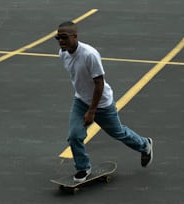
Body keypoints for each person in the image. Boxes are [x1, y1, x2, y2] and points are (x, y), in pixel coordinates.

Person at [55, 21, 153, 182]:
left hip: (102, 103)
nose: (60, 41)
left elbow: (99, 83)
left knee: (118, 133)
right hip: (80, 101)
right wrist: (84, 105)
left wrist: (92, 111)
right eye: (57, 38)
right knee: (74, 136)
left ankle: (144, 145)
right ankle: (83, 167)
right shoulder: (63, 53)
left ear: (75, 36)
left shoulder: (89, 55)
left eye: (64, 37)